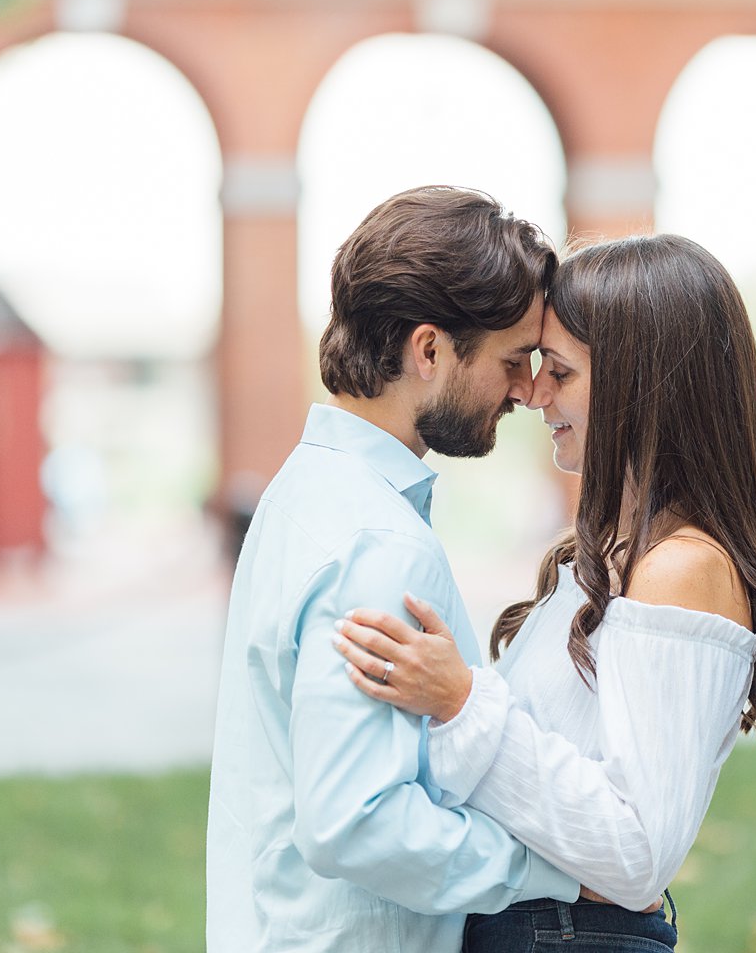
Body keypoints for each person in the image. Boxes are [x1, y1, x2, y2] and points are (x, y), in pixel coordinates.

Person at [333, 233, 756, 952]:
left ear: (640, 385)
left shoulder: (680, 570)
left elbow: (638, 853)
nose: (532, 393)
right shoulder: (614, 556)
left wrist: (464, 702)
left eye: (560, 371)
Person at [205, 186, 585, 953]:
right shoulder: (377, 539)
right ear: (429, 350)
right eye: (513, 359)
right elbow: (359, 821)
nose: (525, 389)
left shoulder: (301, 494)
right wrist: (555, 870)